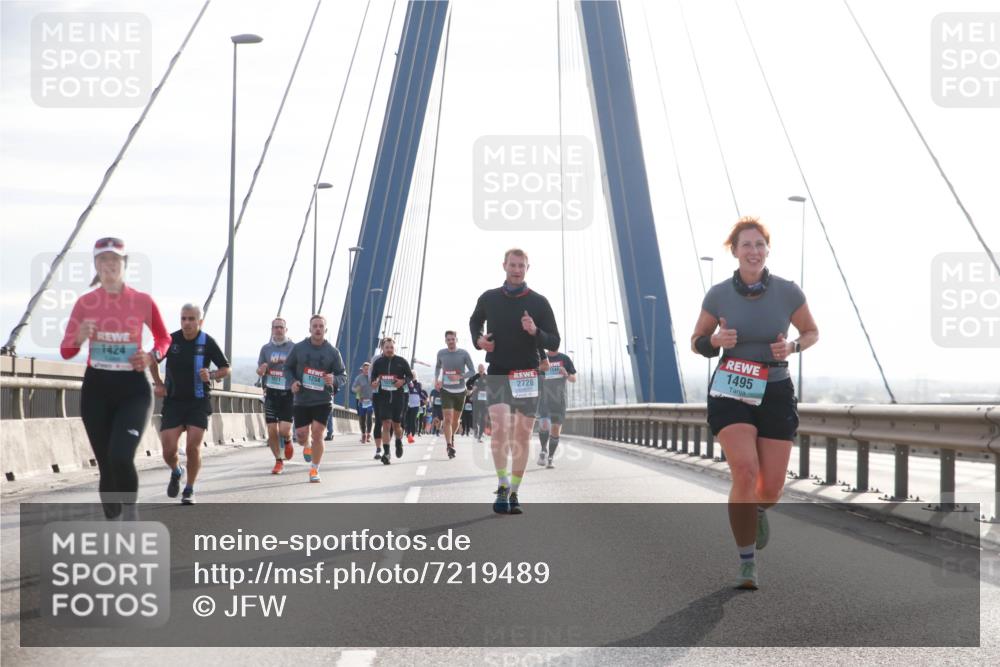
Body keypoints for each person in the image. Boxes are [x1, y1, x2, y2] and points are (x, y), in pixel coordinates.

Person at [690, 216, 819, 590]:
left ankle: (758, 510)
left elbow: (812, 331)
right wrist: (716, 341)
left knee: (771, 488)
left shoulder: (788, 292)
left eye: (759, 244)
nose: (753, 251)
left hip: (775, 387)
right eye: (746, 245)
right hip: (731, 387)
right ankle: (747, 562)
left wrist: (793, 346)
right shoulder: (717, 295)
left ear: (767, 250)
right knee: (744, 471)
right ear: (735, 251)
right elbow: (696, 341)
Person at [60, 237, 171, 519]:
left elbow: (164, 338)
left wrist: (152, 356)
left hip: (133, 389)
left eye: (115, 260)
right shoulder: (86, 302)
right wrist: (79, 336)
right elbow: (66, 350)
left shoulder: (142, 301)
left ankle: (130, 516)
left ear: (124, 264)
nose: (109, 265)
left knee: (121, 456)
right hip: (97, 389)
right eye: (103, 260)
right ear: (96, 265)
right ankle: (113, 523)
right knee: (107, 464)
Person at [470, 248, 559, 515]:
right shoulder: (489, 298)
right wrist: (479, 340)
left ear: (527, 268)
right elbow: (475, 321)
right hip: (497, 371)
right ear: (504, 266)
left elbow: (554, 341)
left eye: (521, 265)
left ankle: (515, 492)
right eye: (513, 265)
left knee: (521, 436)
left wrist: (535, 331)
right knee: (499, 429)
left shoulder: (540, 302)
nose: (517, 269)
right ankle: (501, 484)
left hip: (527, 375)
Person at [150, 303, 230, 505]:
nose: (187, 322)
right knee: (169, 451)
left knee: (193, 447)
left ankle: (189, 489)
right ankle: (177, 471)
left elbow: (225, 368)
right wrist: (158, 384)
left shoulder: (207, 342)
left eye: (191, 319)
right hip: (174, 401)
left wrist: (210, 374)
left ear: (200, 321)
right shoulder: (171, 340)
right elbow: (152, 360)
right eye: (183, 318)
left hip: (198, 401)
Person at [283, 314, 347, 483]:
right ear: (310, 329)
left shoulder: (333, 352)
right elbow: (287, 368)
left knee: (318, 434)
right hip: (302, 399)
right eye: (315, 326)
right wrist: (292, 382)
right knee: (302, 435)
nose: (318, 329)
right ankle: (307, 446)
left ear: (325, 330)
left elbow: (343, 376)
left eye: (321, 326)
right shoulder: (298, 348)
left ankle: (314, 469)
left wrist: (333, 379)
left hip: (323, 399)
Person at [256, 317, 295, 475]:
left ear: (286, 330)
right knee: (272, 429)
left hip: (287, 393)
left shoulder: (293, 347)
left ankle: (287, 440)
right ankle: (278, 461)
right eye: (275, 327)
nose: (278, 330)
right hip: (271, 392)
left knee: (284, 430)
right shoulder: (265, 349)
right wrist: (262, 368)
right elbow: (259, 371)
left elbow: (299, 368)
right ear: (272, 330)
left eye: (281, 327)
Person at [369, 338, 413, 464]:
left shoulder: (401, 362)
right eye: (387, 347)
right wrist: (374, 382)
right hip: (384, 398)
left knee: (397, 425)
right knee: (386, 424)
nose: (389, 350)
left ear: (394, 348)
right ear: (383, 348)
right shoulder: (378, 362)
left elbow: (409, 376)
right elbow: (373, 376)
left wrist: (402, 381)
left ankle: (398, 441)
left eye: (391, 348)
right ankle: (387, 453)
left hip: (398, 398)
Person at [434, 330, 476, 459]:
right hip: (446, 391)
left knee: (455, 420)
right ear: (445, 341)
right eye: (448, 339)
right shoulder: (441, 353)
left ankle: (451, 437)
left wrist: (460, 376)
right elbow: (437, 367)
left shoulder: (464, 353)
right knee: (447, 418)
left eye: (453, 339)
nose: (451, 341)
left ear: (456, 340)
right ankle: (449, 445)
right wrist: (437, 379)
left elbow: (472, 371)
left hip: (460, 391)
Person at [537, 348, 577, 468]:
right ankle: (543, 450)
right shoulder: (541, 359)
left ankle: (550, 458)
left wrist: (567, 374)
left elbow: (573, 379)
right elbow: (533, 375)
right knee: (544, 424)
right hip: (544, 398)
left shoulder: (565, 359)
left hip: (559, 400)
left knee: (555, 429)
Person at [352, 361, 375, 445]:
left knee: (369, 416)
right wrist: (356, 389)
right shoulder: (359, 378)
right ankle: (363, 434)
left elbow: (378, 388)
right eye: (365, 369)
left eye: (368, 369)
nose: (366, 371)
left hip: (371, 401)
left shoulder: (373, 377)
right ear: (362, 370)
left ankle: (368, 434)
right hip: (361, 400)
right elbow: (353, 388)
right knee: (362, 418)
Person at [466, 364, 490, 442]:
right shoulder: (474, 377)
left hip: (485, 401)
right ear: (478, 369)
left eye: (482, 368)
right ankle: (476, 431)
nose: (480, 369)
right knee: (475, 417)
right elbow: (467, 384)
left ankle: (480, 434)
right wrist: (472, 387)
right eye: (479, 368)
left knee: (483, 418)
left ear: (484, 369)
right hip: (476, 400)